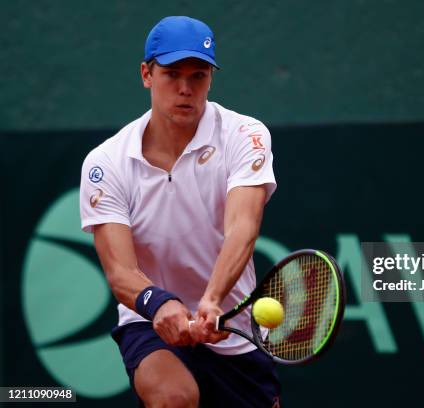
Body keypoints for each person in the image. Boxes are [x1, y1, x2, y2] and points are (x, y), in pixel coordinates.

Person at [79, 16, 280, 407]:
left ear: (211, 79)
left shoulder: (244, 135)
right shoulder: (107, 162)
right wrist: (159, 303)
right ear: (146, 74)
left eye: (198, 76)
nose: (186, 89)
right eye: (172, 74)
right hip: (149, 321)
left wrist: (213, 300)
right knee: (173, 398)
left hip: (232, 327)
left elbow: (243, 225)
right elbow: (120, 271)